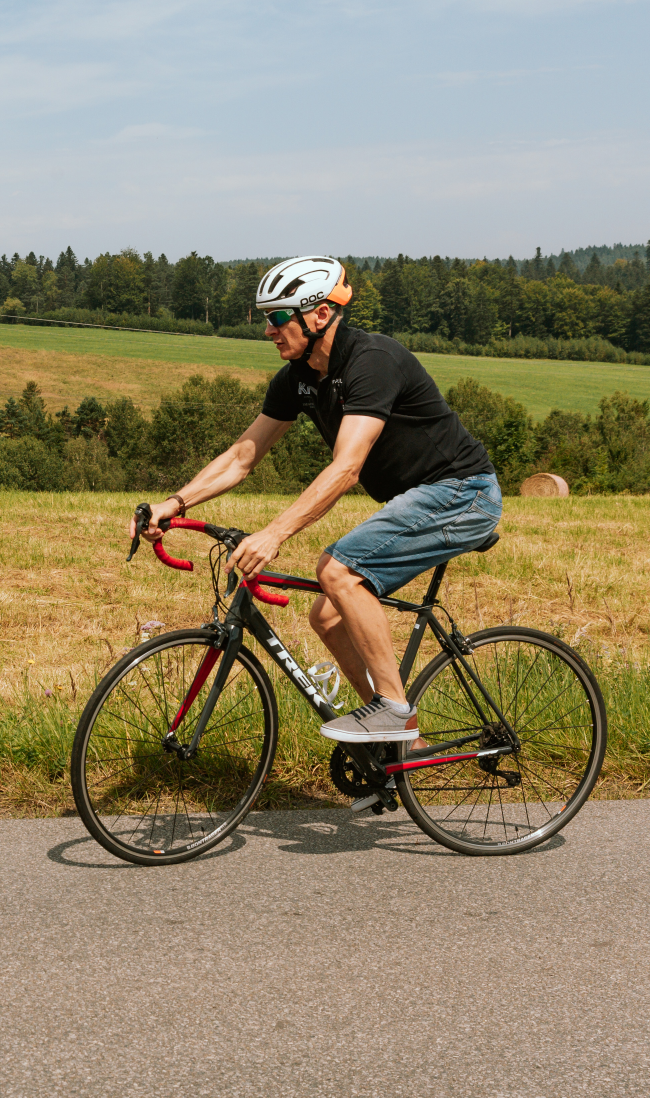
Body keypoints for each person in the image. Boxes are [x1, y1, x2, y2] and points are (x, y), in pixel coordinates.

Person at [134, 255, 500, 743]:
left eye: (278, 317)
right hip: (422, 496)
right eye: (268, 318)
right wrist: (175, 503)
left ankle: (395, 711)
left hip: (463, 493)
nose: (269, 330)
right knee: (327, 613)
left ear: (320, 314)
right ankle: (403, 747)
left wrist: (275, 532)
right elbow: (243, 456)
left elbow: (346, 468)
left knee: (337, 571)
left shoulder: (373, 361)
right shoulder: (299, 378)